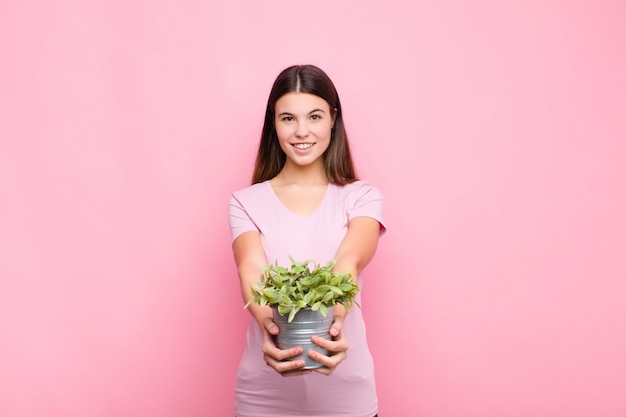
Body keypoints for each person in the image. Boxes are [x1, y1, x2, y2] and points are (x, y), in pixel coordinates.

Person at [228, 64, 385, 417]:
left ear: (333, 118)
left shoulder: (361, 197)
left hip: (347, 394)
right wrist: (269, 326)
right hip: (263, 396)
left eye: (314, 116)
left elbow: (349, 261)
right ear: (274, 123)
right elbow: (250, 267)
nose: (302, 131)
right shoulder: (245, 201)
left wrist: (335, 323)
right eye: (288, 119)